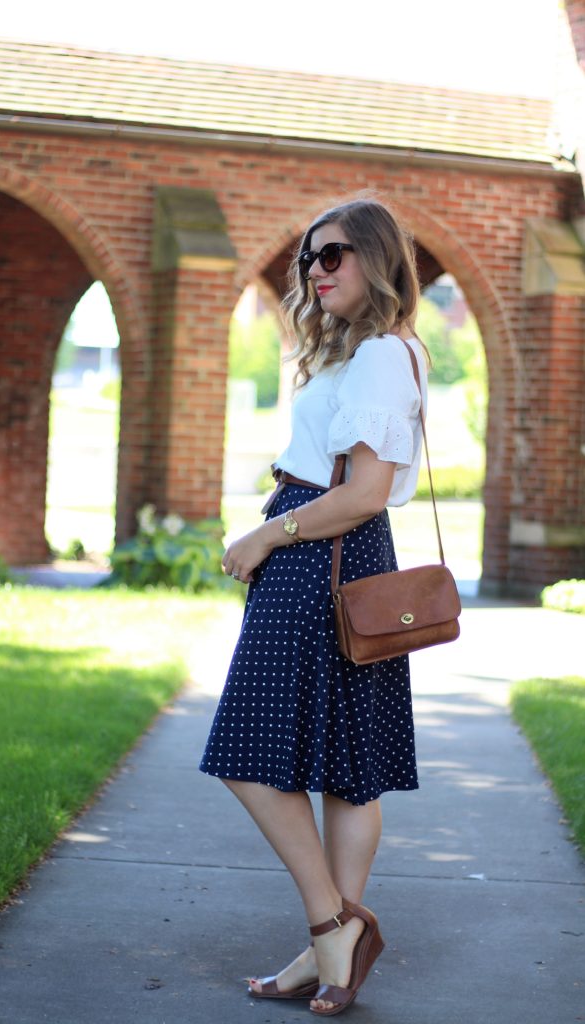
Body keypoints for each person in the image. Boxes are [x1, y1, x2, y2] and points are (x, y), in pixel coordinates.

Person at [199, 192, 429, 1017]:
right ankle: (329, 957)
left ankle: (331, 922)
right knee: (346, 771)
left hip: (318, 554)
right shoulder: (381, 349)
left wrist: (265, 538)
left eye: (333, 255)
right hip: (340, 558)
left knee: (246, 753)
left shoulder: (376, 357)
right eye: (308, 257)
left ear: (375, 258)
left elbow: (365, 493)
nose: (315, 270)